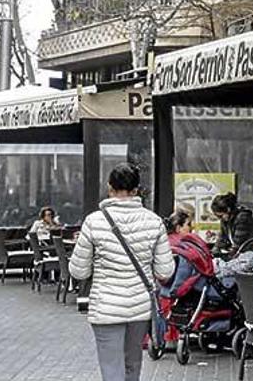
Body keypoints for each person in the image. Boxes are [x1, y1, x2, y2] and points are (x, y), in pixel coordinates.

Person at [69, 163, 175, 381]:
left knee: (111, 367)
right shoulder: (154, 222)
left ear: (109, 187)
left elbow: (78, 271)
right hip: (139, 307)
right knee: (133, 363)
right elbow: (165, 271)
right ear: (137, 190)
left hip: (105, 307)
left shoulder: (93, 222)